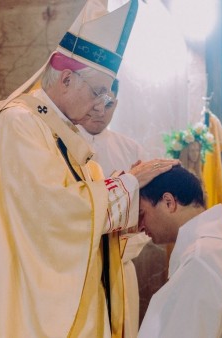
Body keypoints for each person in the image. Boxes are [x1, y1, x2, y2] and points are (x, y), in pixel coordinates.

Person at [0, 1, 178, 336]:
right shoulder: (20, 124)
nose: (100, 106)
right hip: (35, 308)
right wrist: (128, 183)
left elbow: (77, 212)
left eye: (106, 97)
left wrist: (131, 213)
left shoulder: (59, 130)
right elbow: (53, 213)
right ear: (66, 79)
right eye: (98, 93)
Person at [137, 165, 222, 338]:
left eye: (142, 213)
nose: (140, 226)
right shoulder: (214, 248)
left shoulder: (202, 257)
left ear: (169, 202)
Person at [77, 78, 151, 338]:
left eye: (108, 104)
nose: (100, 111)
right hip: (77, 270)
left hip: (121, 267)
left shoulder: (131, 150)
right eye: (95, 102)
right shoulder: (63, 146)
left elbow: (146, 215)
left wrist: (119, 247)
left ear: (116, 103)